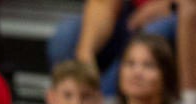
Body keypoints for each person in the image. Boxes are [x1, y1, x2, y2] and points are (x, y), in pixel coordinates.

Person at [48, 0, 176, 95]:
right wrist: (85, 51)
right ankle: (71, 101)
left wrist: (171, 4)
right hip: (128, 12)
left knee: (151, 34)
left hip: (175, 14)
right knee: (66, 35)